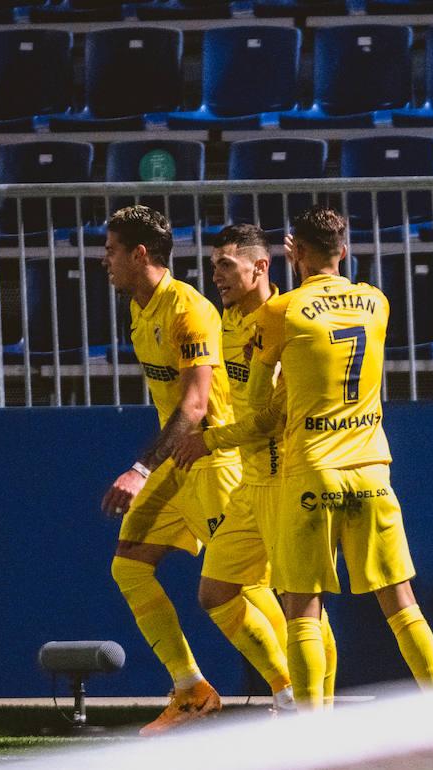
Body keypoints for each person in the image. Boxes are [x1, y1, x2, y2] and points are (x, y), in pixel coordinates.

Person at [246, 206, 433, 707]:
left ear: (298, 251)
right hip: (372, 469)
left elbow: (260, 409)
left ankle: (313, 733)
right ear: (346, 249)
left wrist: (282, 383)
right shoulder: (376, 303)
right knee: (402, 604)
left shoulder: (280, 311)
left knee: (303, 610)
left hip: (312, 470)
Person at [99, 206, 286, 734]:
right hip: (178, 464)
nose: (104, 260)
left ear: (139, 254)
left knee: (246, 589)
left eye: (112, 250)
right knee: (129, 566)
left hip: (212, 462)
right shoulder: (141, 307)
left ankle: (295, 698)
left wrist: (139, 468)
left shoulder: (189, 310)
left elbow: (197, 405)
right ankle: (191, 690)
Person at [172, 225, 342, 710]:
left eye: (227, 265)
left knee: (301, 606)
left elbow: (276, 418)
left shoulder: (288, 320)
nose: (217, 276)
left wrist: (211, 441)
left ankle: (319, 713)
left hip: (288, 480)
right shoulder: (224, 324)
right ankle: (289, 691)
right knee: (215, 593)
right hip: (250, 484)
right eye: (213, 267)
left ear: (260, 267)